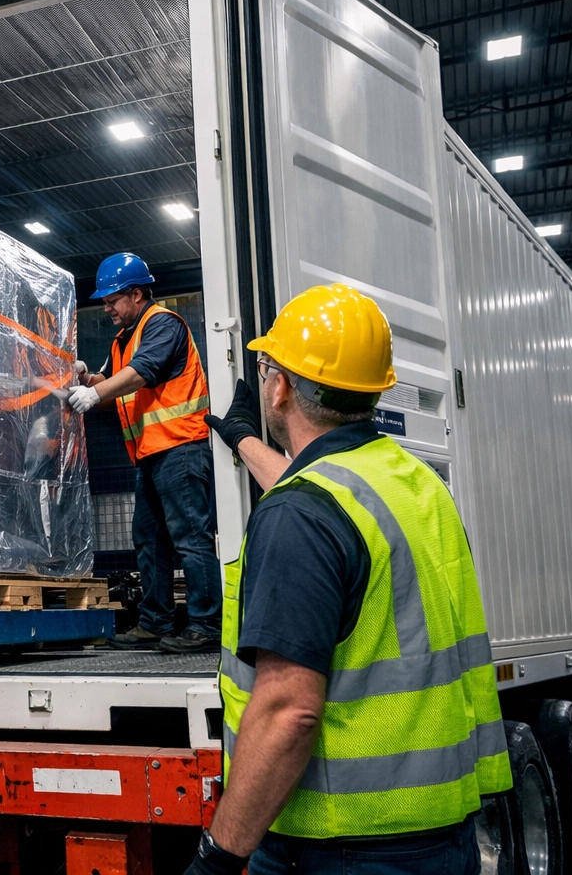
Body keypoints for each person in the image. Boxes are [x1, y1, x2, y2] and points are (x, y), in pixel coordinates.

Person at [187, 283, 509, 875]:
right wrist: (245, 441)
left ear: (279, 386)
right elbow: (321, 501)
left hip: (337, 846)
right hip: (439, 833)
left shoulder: (299, 513)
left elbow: (290, 711)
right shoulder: (416, 485)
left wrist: (217, 857)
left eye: (265, 370)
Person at [68, 252, 218, 653]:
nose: (107, 307)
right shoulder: (124, 339)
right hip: (152, 454)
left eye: (112, 299)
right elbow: (114, 383)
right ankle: (155, 622)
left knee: (191, 537)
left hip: (181, 447)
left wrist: (97, 389)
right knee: (148, 539)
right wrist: (89, 379)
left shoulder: (163, 325)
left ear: (136, 294)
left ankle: (207, 626)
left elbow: (142, 373)